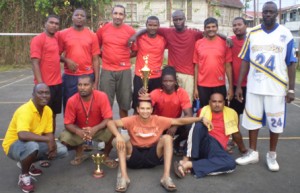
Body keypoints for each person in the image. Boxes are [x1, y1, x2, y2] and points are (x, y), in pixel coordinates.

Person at [235, 1, 297, 172]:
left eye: (271, 11)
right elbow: (245, 61)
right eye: (265, 11)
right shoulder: (252, 33)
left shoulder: (286, 34)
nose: (268, 14)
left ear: (276, 14)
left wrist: (291, 89)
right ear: (262, 14)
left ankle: (272, 155)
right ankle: (253, 152)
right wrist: (239, 85)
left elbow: (292, 63)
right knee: (252, 121)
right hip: (255, 87)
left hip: (276, 87)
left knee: (275, 123)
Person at [107, 96, 211, 192]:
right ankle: (124, 178)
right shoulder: (131, 120)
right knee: (121, 139)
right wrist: (118, 135)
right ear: (137, 110)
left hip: (153, 155)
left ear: (152, 110)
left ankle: (166, 177)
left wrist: (200, 119)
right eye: (142, 108)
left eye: (148, 109)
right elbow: (110, 123)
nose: (145, 111)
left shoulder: (158, 120)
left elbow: (179, 121)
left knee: (167, 138)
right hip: (134, 155)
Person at [2, 83, 68, 193]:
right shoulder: (25, 110)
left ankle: (27, 162)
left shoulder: (47, 110)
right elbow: (22, 135)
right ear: (33, 94)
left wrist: (53, 146)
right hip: (13, 146)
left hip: (31, 143)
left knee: (62, 150)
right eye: (40, 92)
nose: (44, 95)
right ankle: (24, 176)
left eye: (47, 93)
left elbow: (48, 132)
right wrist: (48, 140)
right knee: (32, 146)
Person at [174, 92, 246, 179]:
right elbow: (195, 131)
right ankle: (185, 160)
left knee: (231, 163)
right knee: (198, 124)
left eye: (220, 102)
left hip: (217, 149)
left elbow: (236, 133)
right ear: (209, 102)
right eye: (214, 101)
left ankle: (189, 165)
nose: (217, 104)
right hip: (205, 143)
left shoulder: (232, 113)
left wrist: (243, 149)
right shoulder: (203, 110)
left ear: (224, 103)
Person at [59, 75, 117, 168]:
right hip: (80, 131)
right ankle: (79, 152)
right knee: (64, 138)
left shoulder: (102, 96)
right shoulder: (72, 100)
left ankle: (105, 156)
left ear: (93, 85)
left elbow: (108, 118)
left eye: (86, 85)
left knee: (113, 128)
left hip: (98, 130)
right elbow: (67, 124)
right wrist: (78, 131)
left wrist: (95, 128)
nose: (82, 88)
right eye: (80, 85)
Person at [140, 66, 192, 155]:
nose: (168, 84)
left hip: (174, 124)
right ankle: (154, 143)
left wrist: (175, 125)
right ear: (162, 81)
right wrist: (143, 98)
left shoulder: (181, 93)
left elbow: (189, 114)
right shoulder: (156, 93)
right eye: (165, 81)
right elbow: (143, 112)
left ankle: (176, 142)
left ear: (175, 81)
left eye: (171, 81)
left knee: (190, 125)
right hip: (159, 125)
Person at [96, 5, 136, 118]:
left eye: (121, 14)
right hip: (107, 70)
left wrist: (123, 58)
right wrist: (105, 57)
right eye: (116, 13)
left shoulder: (130, 31)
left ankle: (123, 128)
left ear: (124, 16)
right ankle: (108, 130)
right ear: (111, 14)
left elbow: (136, 50)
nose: (118, 16)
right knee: (105, 103)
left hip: (124, 71)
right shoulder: (103, 29)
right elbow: (96, 48)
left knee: (124, 103)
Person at [58, 8, 100, 111]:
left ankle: (87, 127)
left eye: (82, 15)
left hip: (87, 75)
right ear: (72, 18)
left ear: (86, 19)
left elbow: (96, 59)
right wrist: (67, 60)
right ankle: (69, 127)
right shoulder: (63, 34)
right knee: (69, 106)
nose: (79, 17)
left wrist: (96, 82)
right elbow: (56, 54)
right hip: (70, 77)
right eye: (77, 15)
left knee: (87, 107)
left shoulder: (92, 35)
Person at [30, 15, 62, 134]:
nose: (54, 25)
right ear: (45, 24)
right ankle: (40, 143)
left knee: (52, 115)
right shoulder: (38, 39)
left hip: (57, 84)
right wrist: (41, 85)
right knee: (41, 115)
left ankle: (51, 141)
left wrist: (67, 60)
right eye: (51, 22)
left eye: (56, 23)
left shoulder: (56, 39)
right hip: (45, 86)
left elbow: (56, 56)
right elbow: (35, 62)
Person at [193, 17, 233, 107]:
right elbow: (196, 66)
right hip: (202, 85)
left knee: (220, 111)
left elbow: (228, 66)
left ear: (217, 28)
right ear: (204, 29)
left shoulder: (224, 43)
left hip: (219, 84)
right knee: (204, 111)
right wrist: (195, 88)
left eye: (213, 26)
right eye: (208, 27)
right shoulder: (198, 43)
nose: (211, 29)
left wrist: (230, 87)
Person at [131, 15, 166, 111]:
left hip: (157, 77)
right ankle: (136, 126)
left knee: (155, 106)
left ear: (159, 26)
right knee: (138, 105)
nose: (152, 27)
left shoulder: (163, 39)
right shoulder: (140, 38)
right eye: (150, 25)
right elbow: (131, 50)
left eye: (155, 25)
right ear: (146, 26)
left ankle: (154, 126)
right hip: (140, 76)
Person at [227, 17, 248, 152]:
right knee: (234, 115)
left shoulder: (251, 41)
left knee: (251, 114)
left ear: (246, 26)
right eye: (234, 25)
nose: (237, 27)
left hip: (250, 86)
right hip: (235, 84)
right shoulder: (230, 42)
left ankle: (252, 146)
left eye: (239, 24)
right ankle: (235, 139)